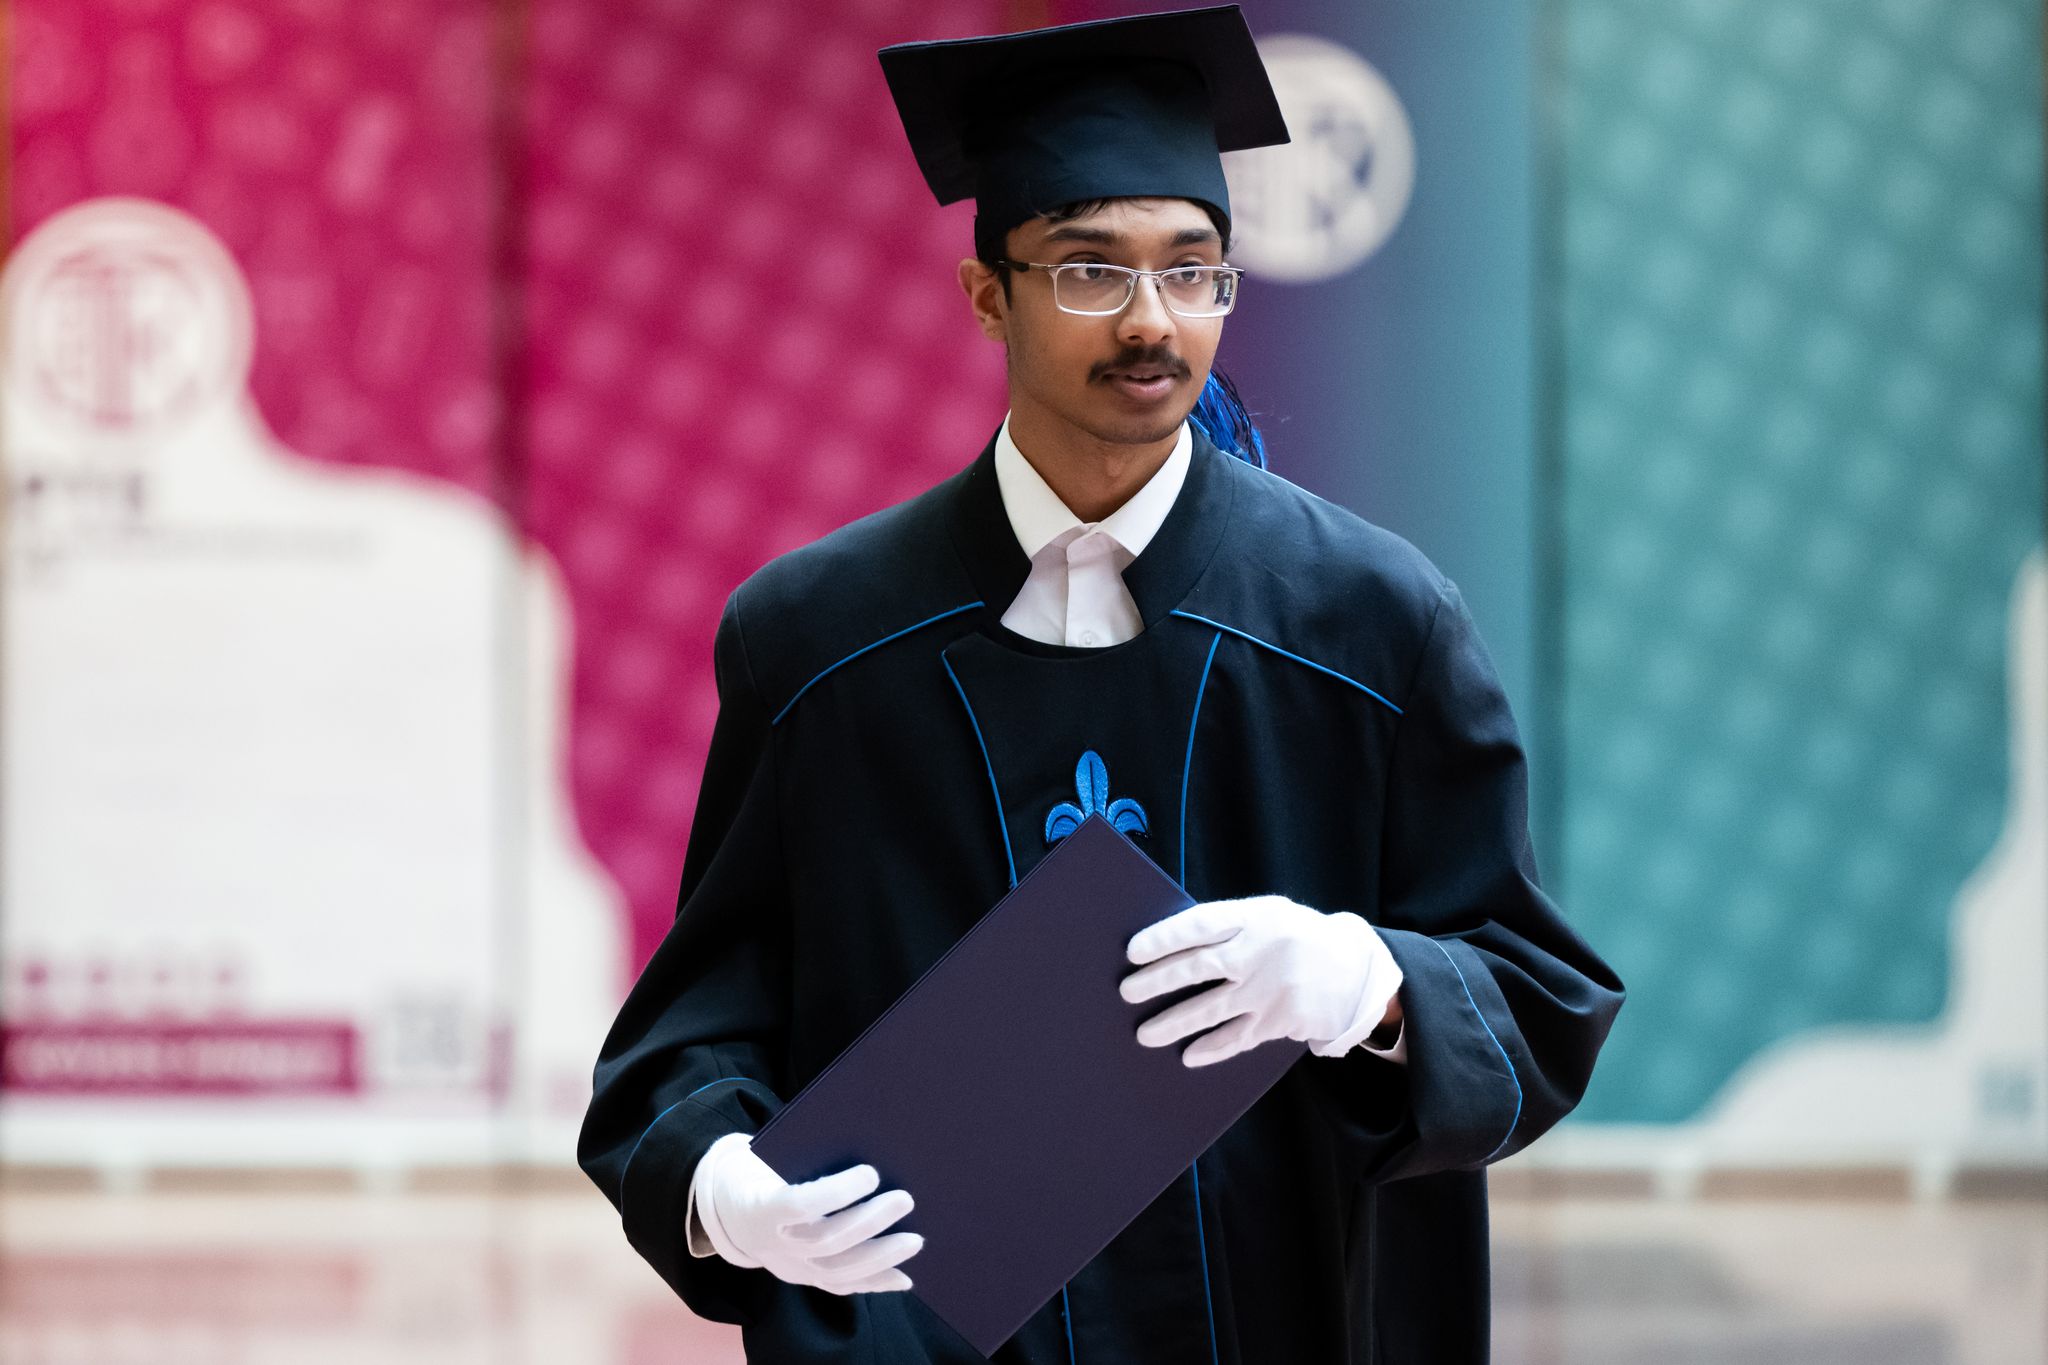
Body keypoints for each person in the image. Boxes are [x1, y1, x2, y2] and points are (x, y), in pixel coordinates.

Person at [578, 7, 1623, 1362]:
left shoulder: (1372, 623)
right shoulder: (818, 644)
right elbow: (693, 1035)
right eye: (1090, 269)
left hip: (1293, 1315)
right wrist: (726, 1188)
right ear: (987, 296)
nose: (1150, 321)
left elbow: (1539, 996)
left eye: (1193, 271)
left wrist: (1367, 980)